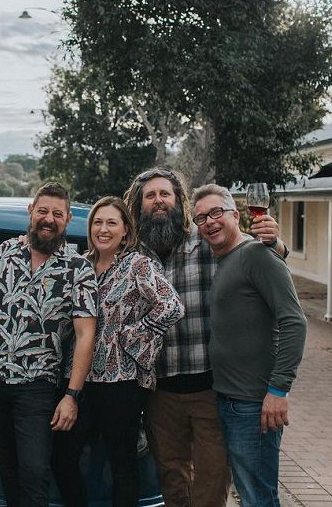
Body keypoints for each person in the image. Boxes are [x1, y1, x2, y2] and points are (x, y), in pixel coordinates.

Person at [123, 167, 287, 507]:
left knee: (213, 479)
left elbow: (253, 255)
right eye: (149, 196)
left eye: (164, 194)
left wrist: (277, 244)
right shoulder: (133, 255)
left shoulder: (206, 240)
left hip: (211, 390)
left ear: (177, 200)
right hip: (160, 393)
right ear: (139, 205)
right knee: (170, 476)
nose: (157, 201)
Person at [0, 182, 98, 507]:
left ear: (66, 219)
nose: (48, 219)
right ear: (31, 212)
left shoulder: (78, 268)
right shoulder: (7, 252)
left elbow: (85, 335)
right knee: (7, 468)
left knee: (35, 470)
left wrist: (71, 396)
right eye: (42, 211)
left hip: (38, 387)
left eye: (56, 213)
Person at [51, 196, 184, 507]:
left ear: (126, 230)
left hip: (122, 383)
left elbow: (172, 306)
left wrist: (130, 337)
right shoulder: (81, 265)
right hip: (79, 381)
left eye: (111, 223)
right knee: (62, 458)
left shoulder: (138, 265)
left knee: (121, 465)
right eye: (98, 222)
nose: (103, 229)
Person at [191, 184, 306, 507]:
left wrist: (279, 390)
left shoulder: (256, 254)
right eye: (201, 218)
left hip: (254, 404)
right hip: (229, 399)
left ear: (235, 214)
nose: (210, 222)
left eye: (216, 213)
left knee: (258, 497)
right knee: (248, 491)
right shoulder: (226, 259)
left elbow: (295, 322)